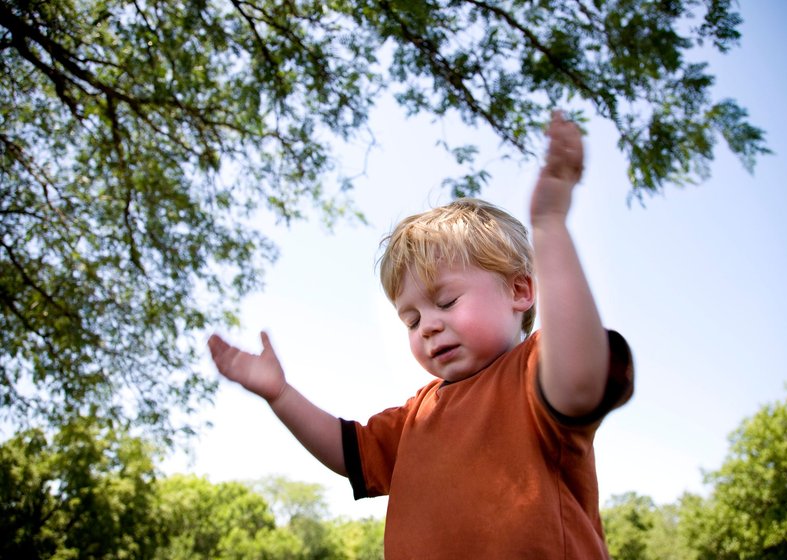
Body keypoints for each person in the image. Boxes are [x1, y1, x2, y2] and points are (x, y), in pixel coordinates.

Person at [208, 111, 634, 558]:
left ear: (520, 289)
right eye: (410, 320)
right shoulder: (418, 416)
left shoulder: (535, 374)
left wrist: (550, 227)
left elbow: (581, 374)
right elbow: (349, 453)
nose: (427, 325)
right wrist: (280, 394)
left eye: (446, 302)